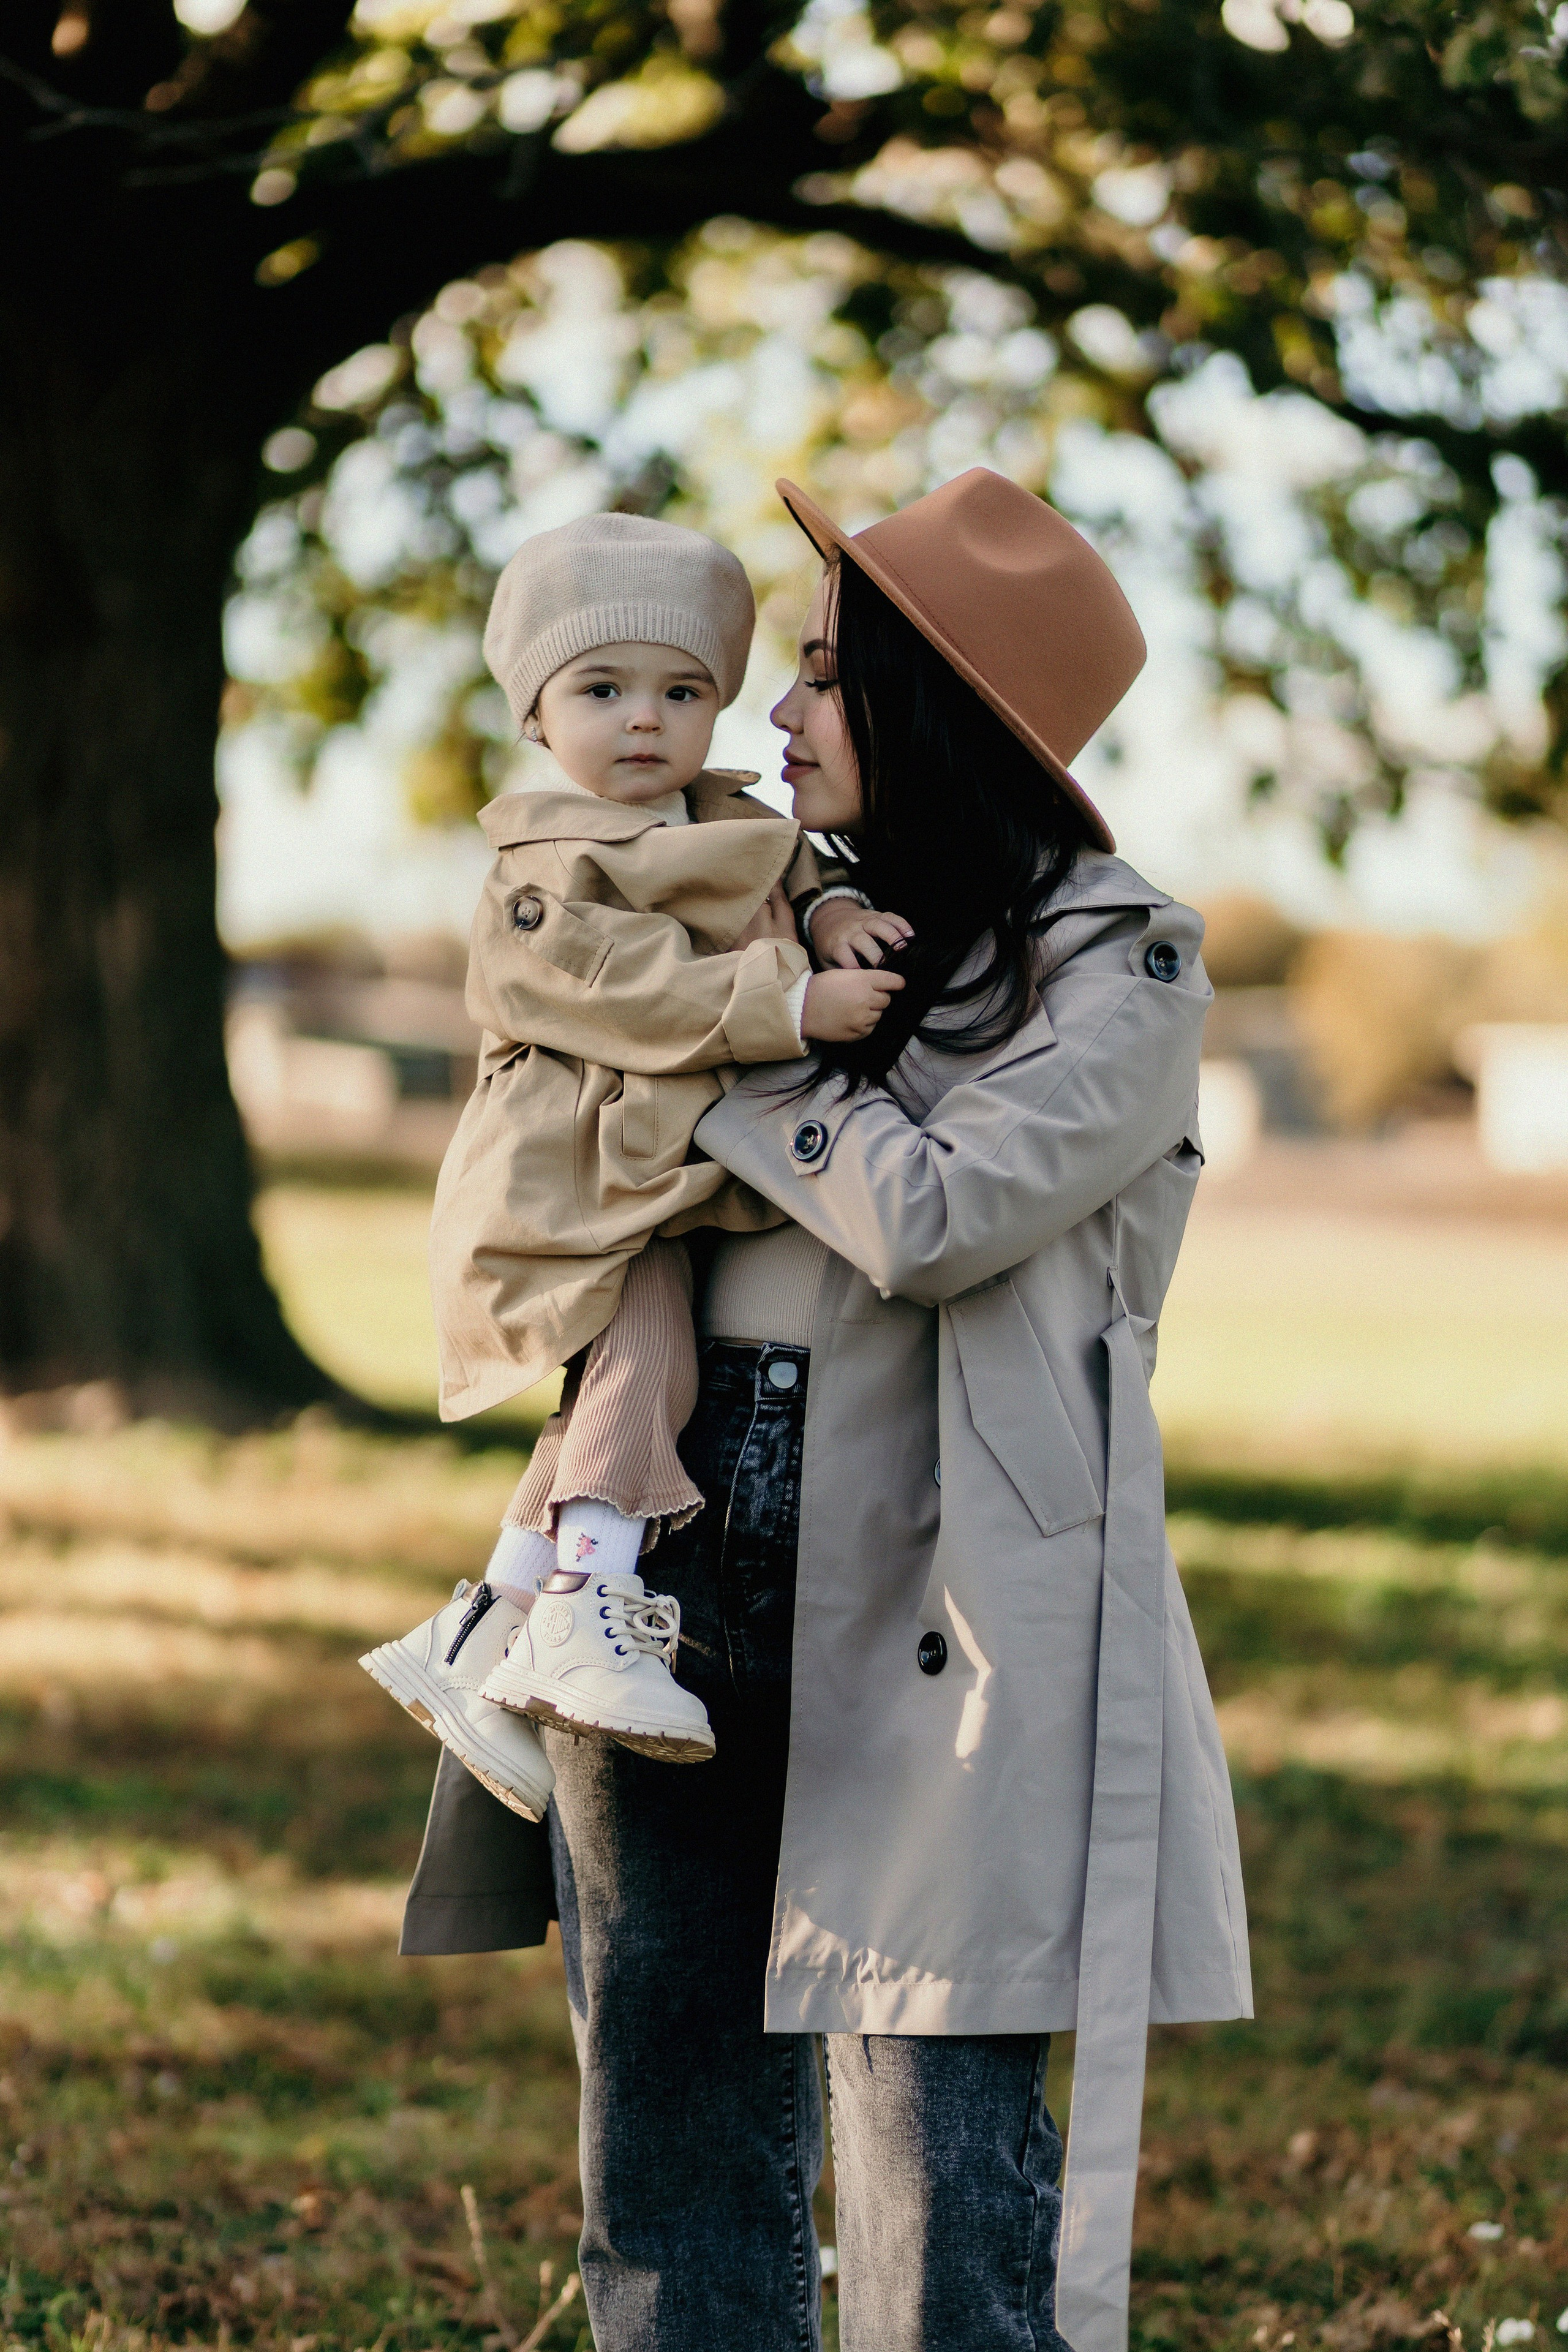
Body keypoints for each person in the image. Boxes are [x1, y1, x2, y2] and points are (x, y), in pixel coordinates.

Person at [398, 469, 1252, 2352]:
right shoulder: (771, 921)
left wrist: (703, 1053)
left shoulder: (1116, 967)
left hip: (945, 1587)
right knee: (674, 2107)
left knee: (934, 2162)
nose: (762, 718)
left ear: (942, 705)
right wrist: (736, 998)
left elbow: (931, 1219)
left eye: (820, 677)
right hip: (685, 1539)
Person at [360, 511, 905, 1816]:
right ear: (538, 715)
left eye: (681, 690)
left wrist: (832, 912)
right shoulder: (545, 864)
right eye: (600, 690)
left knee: (622, 1368)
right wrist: (785, 1002)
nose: (643, 721)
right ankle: (591, 1591)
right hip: (573, 1170)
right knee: (644, 1343)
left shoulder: (726, 815)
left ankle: (491, 1617)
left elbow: (793, 860)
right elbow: (619, 985)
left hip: (653, 1160)